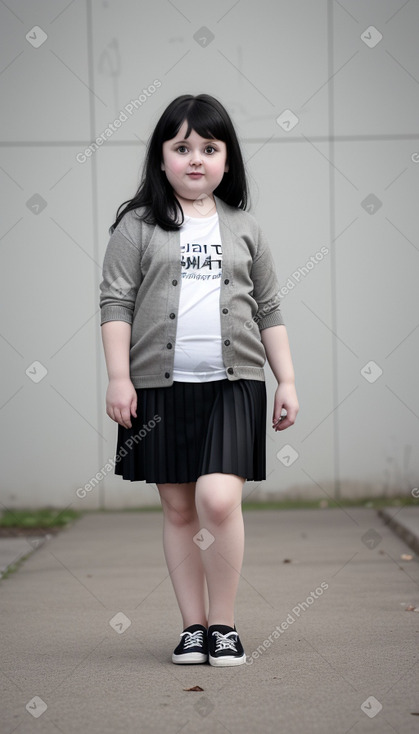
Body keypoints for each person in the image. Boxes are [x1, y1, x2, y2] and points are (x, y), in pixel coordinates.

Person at [99, 93, 299, 667]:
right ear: (160, 158)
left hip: (233, 386)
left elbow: (270, 309)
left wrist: (285, 380)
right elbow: (115, 303)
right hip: (159, 389)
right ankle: (193, 628)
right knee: (180, 511)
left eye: (209, 148)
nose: (195, 159)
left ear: (227, 160)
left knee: (216, 500)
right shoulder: (136, 227)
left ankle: (225, 626)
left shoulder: (245, 228)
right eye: (181, 147)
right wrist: (119, 378)